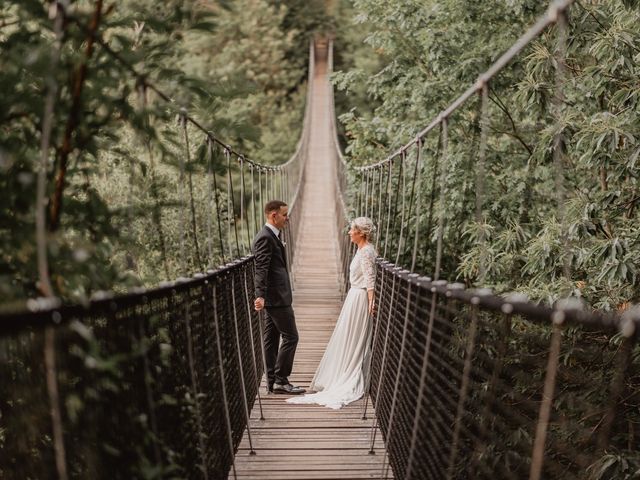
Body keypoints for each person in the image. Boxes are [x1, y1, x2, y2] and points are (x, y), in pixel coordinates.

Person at [287, 217, 376, 409]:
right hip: (354, 297)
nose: (349, 232)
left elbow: (370, 279)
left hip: (360, 298)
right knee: (348, 337)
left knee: (354, 338)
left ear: (361, 233)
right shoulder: (361, 249)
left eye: (352, 230)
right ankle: (345, 369)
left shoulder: (366, 251)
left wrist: (371, 300)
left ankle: (348, 373)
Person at [253, 200, 305, 395]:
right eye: (284, 214)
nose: (288, 218)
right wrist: (260, 295)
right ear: (273, 215)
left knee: (271, 339)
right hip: (276, 298)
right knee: (291, 337)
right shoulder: (265, 238)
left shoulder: (272, 235)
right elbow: (261, 269)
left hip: (276, 296)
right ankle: (281, 380)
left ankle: (273, 381)